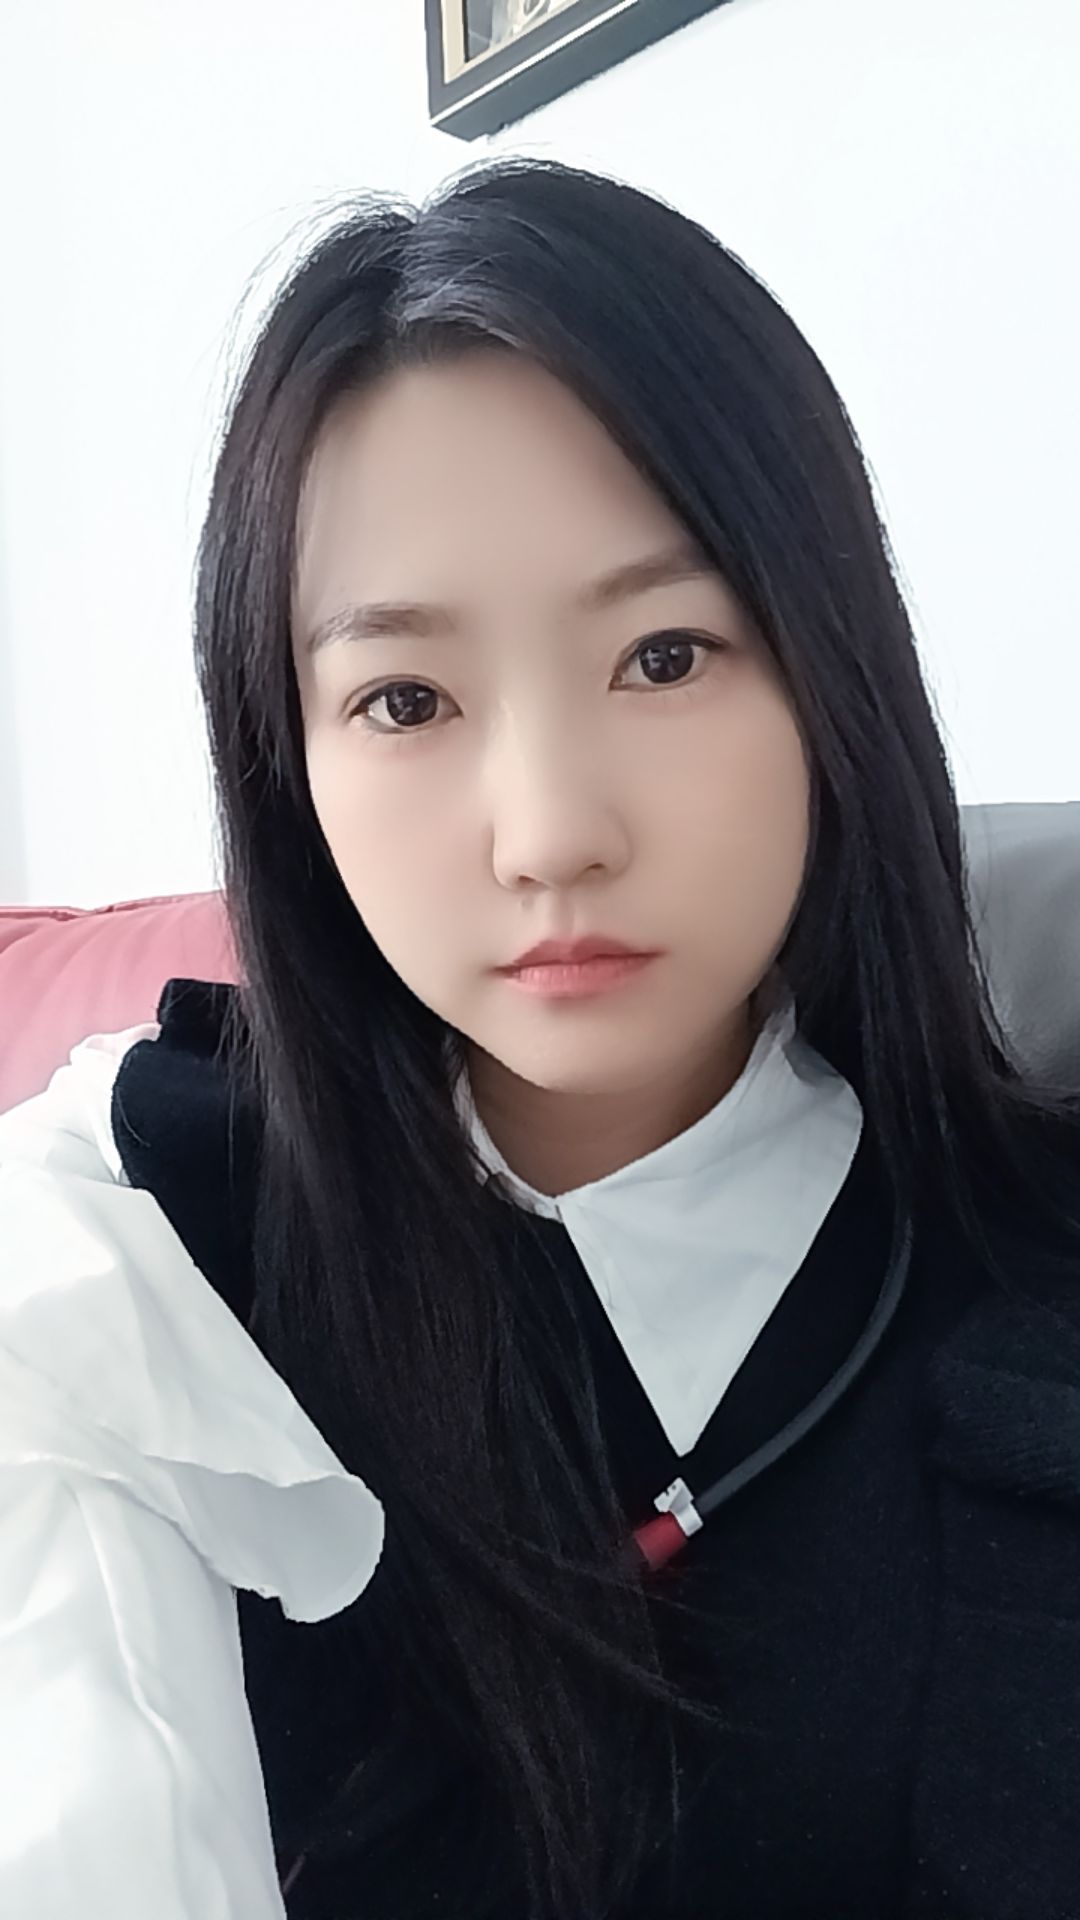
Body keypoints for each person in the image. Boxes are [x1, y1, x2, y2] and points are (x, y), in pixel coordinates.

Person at [1, 156, 1079, 1920]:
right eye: (405, 698)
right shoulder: (133, 1247)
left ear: (832, 671)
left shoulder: (1026, 1266)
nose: (551, 832)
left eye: (665, 656)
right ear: (288, 760)